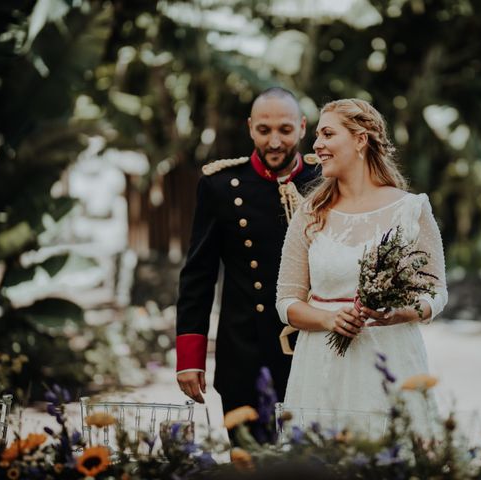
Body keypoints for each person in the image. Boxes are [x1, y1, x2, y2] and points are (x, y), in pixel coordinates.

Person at [275, 98, 448, 435]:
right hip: (320, 363)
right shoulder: (310, 213)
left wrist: (400, 312)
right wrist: (328, 318)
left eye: (327, 134)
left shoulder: (410, 210)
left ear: (360, 139)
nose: (317, 144)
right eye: (317, 136)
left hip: (391, 358)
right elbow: (286, 302)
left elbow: (436, 291)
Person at [176, 88, 319, 414]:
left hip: (314, 347)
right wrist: (189, 357)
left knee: (313, 462)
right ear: (250, 126)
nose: (274, 141)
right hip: (244, 352)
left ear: (301, 127)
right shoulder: (221, 186)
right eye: (263, 130)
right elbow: (198, 276)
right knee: (247, 462)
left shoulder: (326, 181)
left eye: (284, 129)